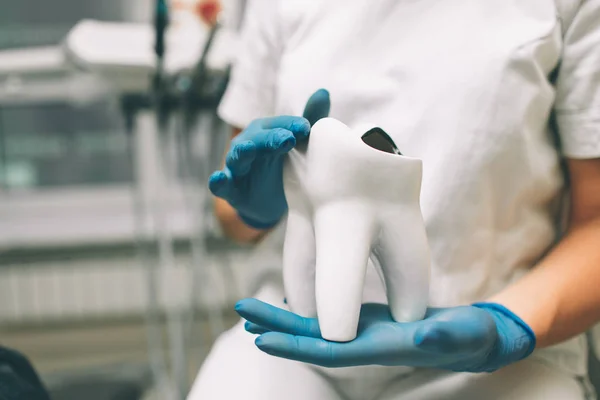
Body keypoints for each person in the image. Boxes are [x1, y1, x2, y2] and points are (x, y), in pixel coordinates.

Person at [188, 0, 600, 398]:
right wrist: (254, 202)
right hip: (290, 334)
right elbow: (230, 213)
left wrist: (508, 326)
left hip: (499, 349)